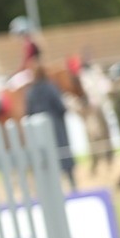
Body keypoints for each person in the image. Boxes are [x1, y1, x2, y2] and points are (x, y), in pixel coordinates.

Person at [25, 62, 76, 191]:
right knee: (63, 156)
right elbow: (60, 106)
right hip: (56, 128)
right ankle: (72, 184)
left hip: (39, 133)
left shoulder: (30, 92)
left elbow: (28, 112)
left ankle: (51, 188)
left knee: (46, 160)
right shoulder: (51, 87)